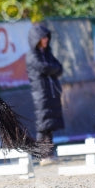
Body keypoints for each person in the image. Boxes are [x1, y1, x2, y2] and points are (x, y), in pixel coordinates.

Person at [25, 23, 65, 165]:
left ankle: (49, 153)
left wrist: (52, 69)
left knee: (50, 123)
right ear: (36, 39)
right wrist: (52, 69)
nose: (46, 40)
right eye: (42, 37)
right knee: (43, 124)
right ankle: (42, 155)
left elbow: (59, 68)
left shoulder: (47, 53)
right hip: (41, 92)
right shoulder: (32, 55)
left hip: (52, 91)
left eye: (46, 37)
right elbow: (44, 68)